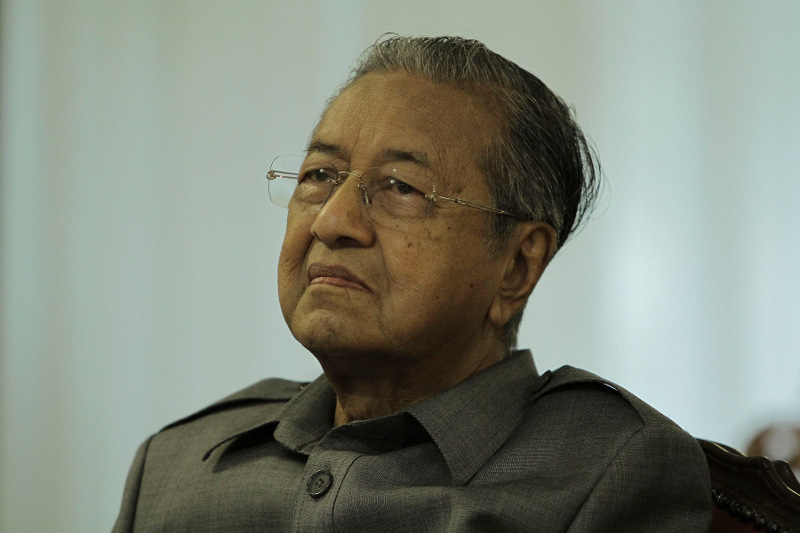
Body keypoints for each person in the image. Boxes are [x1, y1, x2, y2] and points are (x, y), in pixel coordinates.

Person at [113, 35, 712, 532]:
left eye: (401, 187)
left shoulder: (608, 471)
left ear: (516, 267)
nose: (333, 220)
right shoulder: (175, 465)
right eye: (319, 175)